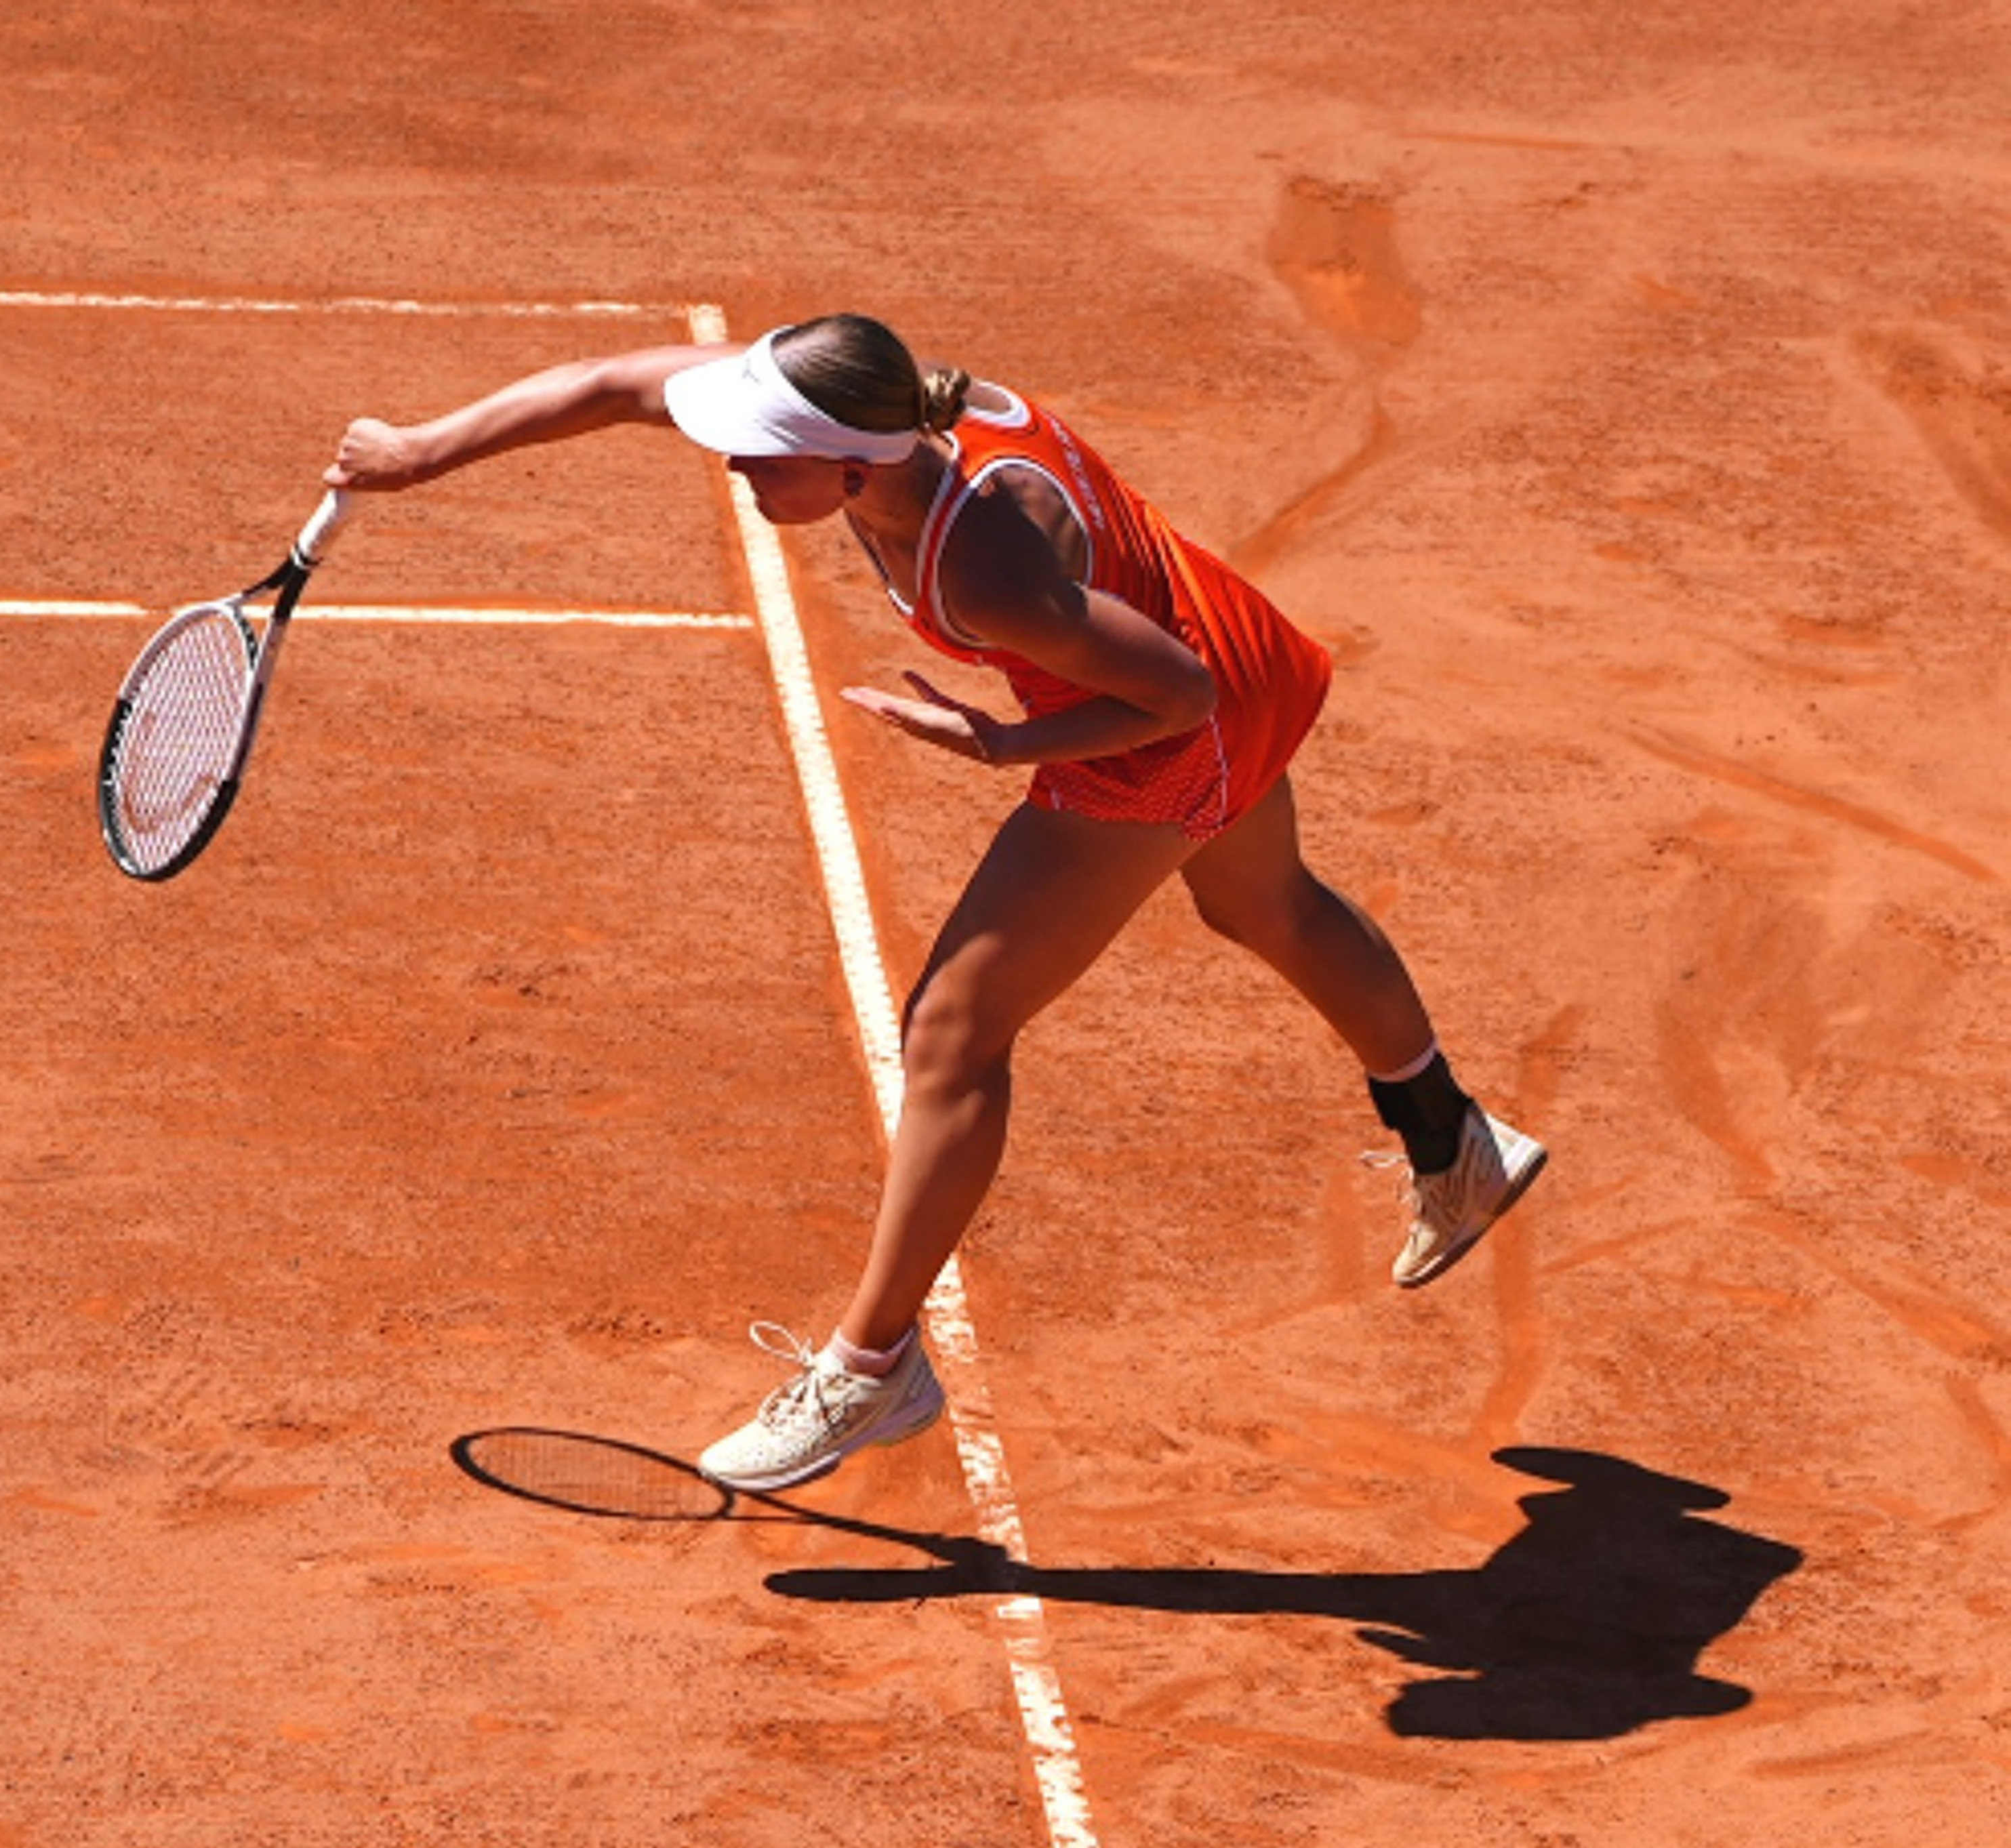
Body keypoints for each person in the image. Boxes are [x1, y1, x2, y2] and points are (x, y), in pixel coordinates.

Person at [325, 312, 1546, 1494]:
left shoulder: (984, 562)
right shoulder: (875, 412)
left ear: (854, 466)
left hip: (1170, 719)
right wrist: (421, 451)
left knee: (953, 1034)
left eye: (763, 453)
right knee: (1264, 906)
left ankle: (873, 1368)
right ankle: (1454, 1143)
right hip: (1209, 624)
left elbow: (1176, 696)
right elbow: (611, 384)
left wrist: (1006, 746)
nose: (736, 465)